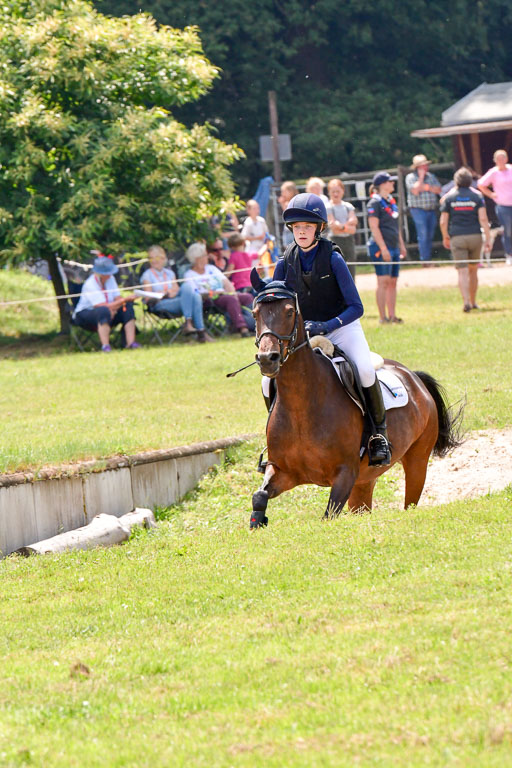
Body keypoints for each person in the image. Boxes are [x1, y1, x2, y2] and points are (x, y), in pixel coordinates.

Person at [273, 192, 391, 466]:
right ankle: (276, 439)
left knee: (362, 369)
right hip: (304, 335)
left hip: (341, 326)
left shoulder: (333, 258)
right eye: (297, 227)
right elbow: (277, 299)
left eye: (308, 226)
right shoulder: (284, 262)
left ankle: (378, 435)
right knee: (269, 378)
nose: (301, 231)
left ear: (320, 228)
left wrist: (328, 326)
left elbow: (356, 307)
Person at [440, 168, 491, 312]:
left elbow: (443, 221)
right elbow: (483, 218)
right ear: (470, 181)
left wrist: (445, 236)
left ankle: (466, 302)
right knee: (473, 271)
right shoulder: (477, 196)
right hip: (474, 236)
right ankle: (474, 302)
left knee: (462, 272)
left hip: (457, 237)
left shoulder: (450, 197)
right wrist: (487, 238)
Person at [141, 245, 212, 342]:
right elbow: (148, 297)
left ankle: (190, 324)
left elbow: (177, 290)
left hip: (176, 300)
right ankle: (200, 332)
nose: (154, 260)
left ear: (163, 258)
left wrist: (170, 292)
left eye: (156, 257)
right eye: (150, 258)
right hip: (159, 304)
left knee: (189, 289)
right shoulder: (147, 275)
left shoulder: (170, 273)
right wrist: (166, 293)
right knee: (194, 298)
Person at [184, 242, 253, 337]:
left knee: (247, 297)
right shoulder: (189, 275)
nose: (207, 257)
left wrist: (232, 293)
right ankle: (242, 328)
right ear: (197, 259)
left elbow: (226, 282)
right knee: (230, 300)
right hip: (208, 299)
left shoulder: (211, 268)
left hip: (225, 294)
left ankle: (255, 323)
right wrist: (215, 293)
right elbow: (196, 294)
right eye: (204, 255)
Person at [73, 255, 139, 352]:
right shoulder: (90, 284)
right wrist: (123, 301)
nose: (110, 274)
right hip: (86, 314)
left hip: (111, 309)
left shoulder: (111, 279)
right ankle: (106, 346)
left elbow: (117, 297)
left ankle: (131, 343)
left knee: (127, 307)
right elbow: (100, 305)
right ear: (100, 273)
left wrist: (124, 301)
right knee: (103, 311)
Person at [367, 171, 407, 324]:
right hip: (380, 247)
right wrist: (383, 248)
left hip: (394, 245)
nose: (393, 184)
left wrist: (401, 244)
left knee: (393, 281)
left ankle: (392, 315)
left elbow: (395, 227)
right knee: (383, 281)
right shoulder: (374, 203)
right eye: (390, 181)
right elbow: (374, 227)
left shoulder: (391, 202)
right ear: (382, 184)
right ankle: (382, 317)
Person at [405, 154, 441, 265]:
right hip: (418, 210)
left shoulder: (431, 176)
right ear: (417, 167)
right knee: (423, 234)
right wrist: (421, 179)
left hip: (431, 209)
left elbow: (438, 190)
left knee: (429, 234)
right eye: (423, 165)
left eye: (426, 165)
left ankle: (427, 258)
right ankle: (425, 260)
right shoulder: (410, 177)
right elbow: (415, 191)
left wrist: (426, 187)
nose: (425, 167)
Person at [478, 149, 512, 265]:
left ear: (506, 159)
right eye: (498, 159)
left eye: (503, 158)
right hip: (503, 206)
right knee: (508, 230)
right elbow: (481, 184)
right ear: (495, 161)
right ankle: (509, 254)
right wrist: (491, 194)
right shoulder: (493, 172)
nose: (501, 161)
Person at [326, 178, 358, 280]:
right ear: (329, 192)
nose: (336, 194)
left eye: (338, 191)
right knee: (336, 267)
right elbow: (333, 226)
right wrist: (347, 227)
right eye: (333, 191)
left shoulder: (348, 206)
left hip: (348, 240)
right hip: (335, 240)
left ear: (343, 191)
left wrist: (342, 227)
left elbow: (354, 221)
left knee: (351, 267)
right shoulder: (328, 207)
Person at [278, 180, 298, 249]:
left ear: (291, 191)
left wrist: (282, 203)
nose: (282, 194)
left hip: (293, 229)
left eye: (284, 192)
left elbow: (287, 214)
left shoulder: (291, 202)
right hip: (288, 229)